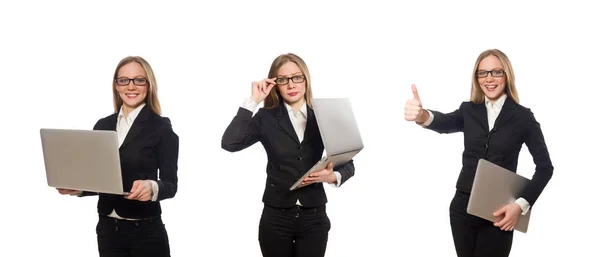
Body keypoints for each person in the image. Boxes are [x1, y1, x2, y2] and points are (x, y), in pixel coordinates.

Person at [403, 49, 553, 257]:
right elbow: (444, 122)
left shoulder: (523, 117)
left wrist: (520, 206)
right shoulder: (469, 110)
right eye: (482, 73)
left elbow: (545, 168)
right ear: (476, 78)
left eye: (496, 72)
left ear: (507, 75)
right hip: (461, 208)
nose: (489, 79)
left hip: (499, 212)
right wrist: (421, 115)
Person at [221, 53, 355, 257]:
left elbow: (348, 162)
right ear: (275, 84)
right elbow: (230, 143)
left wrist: (333, 177)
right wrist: (253, 101)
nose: (291, 85)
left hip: (314, 217)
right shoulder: (265, 118)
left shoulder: (324, 114)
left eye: (297, 77)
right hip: (276, 218)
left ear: (306, 79)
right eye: (283, 80)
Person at [57, 56, 179, 257]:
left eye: (139, 80)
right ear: (116, 85)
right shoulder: (102, 125)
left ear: (149, 85)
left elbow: (171, 184)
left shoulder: (161, 127)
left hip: (145, 233)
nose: (131, 86)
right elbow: (103, 180)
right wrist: (79, 189)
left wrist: (152, 187)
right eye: (124, 80)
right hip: (107, 231)